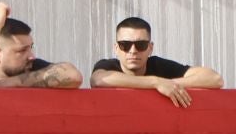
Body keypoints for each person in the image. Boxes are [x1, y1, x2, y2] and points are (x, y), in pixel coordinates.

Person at [92, 16, 226, 105]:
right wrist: (156, 83)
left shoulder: (158, 65)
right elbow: (98, 80)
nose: (133, 51)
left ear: (150, 48)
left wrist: (168, 84)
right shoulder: (108, 65)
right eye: (125, 45)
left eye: (141, 45)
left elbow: (214, 78)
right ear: (116, 48)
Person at [0, 4, 81, 89]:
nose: (32, 56)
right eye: (22, 50)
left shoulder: (31, 67)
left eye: (30, 47)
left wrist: (14, 82)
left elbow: (73, 75)